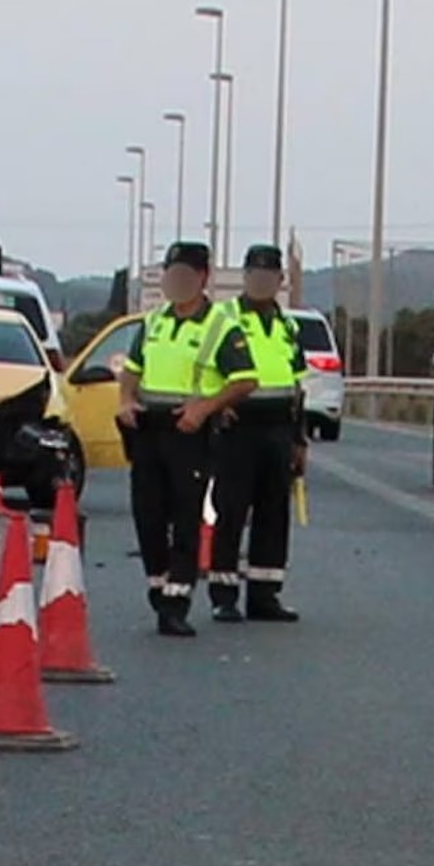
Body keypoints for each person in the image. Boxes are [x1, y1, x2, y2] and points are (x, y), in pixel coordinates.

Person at [117, 242, 259, 637]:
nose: (176, 282)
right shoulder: (152, 323)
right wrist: (126, 400)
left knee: (185, 516)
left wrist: (205, 407)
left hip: (189, 431)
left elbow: (246, 380)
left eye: (185, 275)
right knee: (147, 513)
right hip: (149, 429)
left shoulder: (221, 327)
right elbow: (131, 370)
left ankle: (176, 602)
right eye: (171, 274)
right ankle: (159, 585)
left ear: (202, 279)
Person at [208, 245, 308, 623]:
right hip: (237, 427)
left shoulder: (287, 325)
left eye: (269, 276)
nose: (262, 282)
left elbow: (298, 385)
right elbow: (202, 370)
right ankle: (224, 594)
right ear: (246, 278)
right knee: (232, 510)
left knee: (273, 512)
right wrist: (217, 405)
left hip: (278, 427)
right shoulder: (224, 319)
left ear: (280, 281)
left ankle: (264, 595)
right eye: (255, 276)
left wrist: (299, 439)